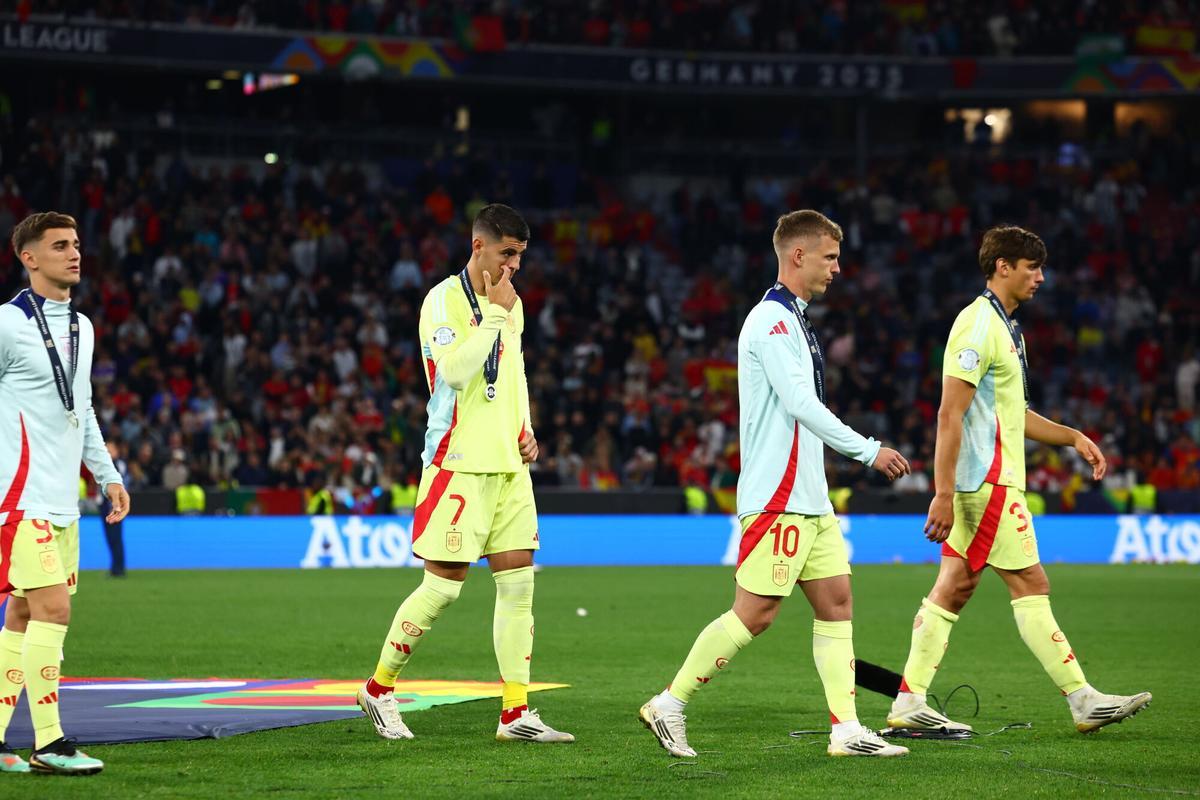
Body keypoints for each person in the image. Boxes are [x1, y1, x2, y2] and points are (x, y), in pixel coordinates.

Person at [639, 210, 913, 759]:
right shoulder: (773, 321)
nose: (838, 267)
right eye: (830, 257)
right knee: (756, 613)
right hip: (778, 497)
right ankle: (669, 703)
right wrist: (867, 450)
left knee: (837, 604)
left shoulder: (798, 319)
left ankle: (846, 730)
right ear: (798, 256)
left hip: (809, 498)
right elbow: (799, 404)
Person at [885, 225, 1151, 734]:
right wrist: (942, 493)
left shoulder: (1008, 329)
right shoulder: (977, 326)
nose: (1041, 278)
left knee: (953, 589)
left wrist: (1072, 437)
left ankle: (908, 701)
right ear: (1002, 266)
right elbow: (949, 414)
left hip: (987, 483)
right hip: (987, 485)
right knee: (1030, 583)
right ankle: (1082, 699)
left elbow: (1015, 412)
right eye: (1032, 268)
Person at [356, 204, 572, 743]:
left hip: (508, 465)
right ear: (479, 247)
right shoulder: (443, 300)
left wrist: (527, 427)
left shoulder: (511, 304)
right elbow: (452, 371)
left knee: (518, 584)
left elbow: (514, 370)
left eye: (520, 255)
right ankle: (378, 689)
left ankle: (515, 713)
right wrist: (496, 314)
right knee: (443, 589)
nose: (515, 266)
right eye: (507, 253)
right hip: (457, 462)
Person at [0, 212, 129, 775]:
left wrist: (108, 474)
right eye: (58, 246)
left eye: (76, 244)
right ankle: (49, 744)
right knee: (54, 607)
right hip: (18, 495)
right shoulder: (6, 324)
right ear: (28, 258)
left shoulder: (84, 327)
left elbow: (83, 412)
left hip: (61, 499)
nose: (74, 254)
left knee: (25, 614)